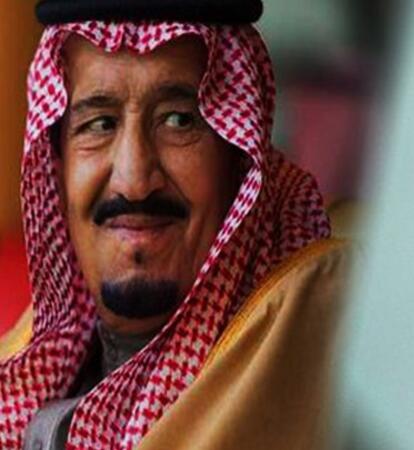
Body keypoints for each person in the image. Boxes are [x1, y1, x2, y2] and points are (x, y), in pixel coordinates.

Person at [0, 1, 351, 449]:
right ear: (57, 166)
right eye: (99, 124)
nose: (134, 180)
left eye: (178, 121)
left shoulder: (317, 338)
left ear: (238, 159)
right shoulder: (33, 358)